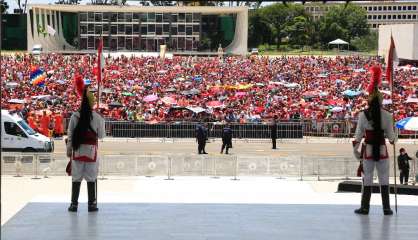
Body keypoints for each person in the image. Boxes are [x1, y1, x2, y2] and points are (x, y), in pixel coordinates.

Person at [352, 66, 396, 215]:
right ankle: (386, 208)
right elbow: (391, 138)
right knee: (384, 179)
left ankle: (365, 207)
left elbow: (358, 136)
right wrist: (394, 136)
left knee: (368, 179)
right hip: (382, 150)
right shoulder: (388, 116)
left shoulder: (363, 115)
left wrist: (355, 151)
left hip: (369, 151)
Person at [66, 78, 105, 212]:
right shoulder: (98, 117)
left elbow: (70, 136)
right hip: (91, 152)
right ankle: (91, 204)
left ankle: (74, 204)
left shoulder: (74, 116)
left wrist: (68, 151)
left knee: (76, 178)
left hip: (77, 150)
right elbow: (101, 136)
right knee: (91, 178)